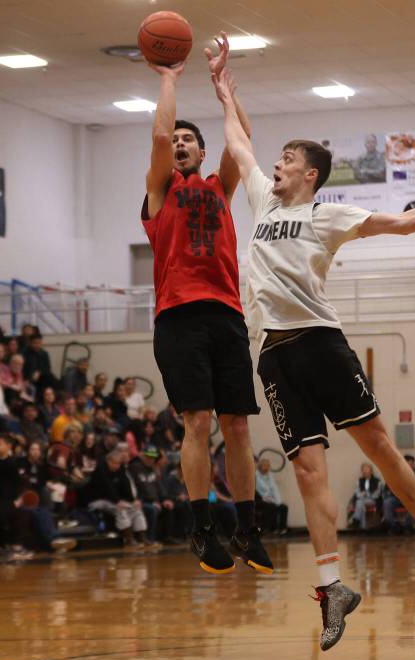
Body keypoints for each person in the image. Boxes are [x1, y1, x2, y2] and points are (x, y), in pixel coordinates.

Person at [212, 50, 415, 649]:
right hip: (273, 354)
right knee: (307, 469)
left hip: (322, 343)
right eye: (277, 158)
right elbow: (239, 140)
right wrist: (223, 92)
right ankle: (332, 589)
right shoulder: (260, 200)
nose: (276, 164)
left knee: (378, 449)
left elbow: (398, 227)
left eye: (288, 159)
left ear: (310, 174)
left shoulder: (328, 214)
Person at [141, 35, 271, 576]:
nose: (179, 144)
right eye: (176, 139)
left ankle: (247, 526)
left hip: (227, 314)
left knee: (237, 425)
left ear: (200, 150)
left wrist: (224, 92)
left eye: (188, 140)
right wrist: (169, 77)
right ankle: (200, 527)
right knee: (197, 421)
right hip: (178, 317)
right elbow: (157, 133)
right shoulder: (159, 192)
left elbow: (242, 137)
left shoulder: (219, 186)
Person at [86, 450, 147, 548]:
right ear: (108, 461)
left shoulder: (120, 469)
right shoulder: (100, 470)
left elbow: (126, 485)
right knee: (120, 509)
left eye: (118, 463)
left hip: (113, 500)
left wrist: (133, 500)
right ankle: (129, 539)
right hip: (97, 500)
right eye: (114, 463)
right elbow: (108, 487)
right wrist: (118, 501)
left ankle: (142, 538)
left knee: (136, 508)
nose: (116, 466)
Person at [0, 434, 34, 560]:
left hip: (10, 496)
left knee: (10, 517)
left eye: (0, 444)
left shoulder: (13, 463)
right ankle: (5, 548)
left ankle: (15, 547)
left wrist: (19, 499)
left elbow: (19, 482)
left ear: (8, 446)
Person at [382, 455, 415, 534]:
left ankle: (408, 526)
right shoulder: (394, 474)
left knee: (414, 505)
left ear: (413, 464)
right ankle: (393, 526)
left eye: (411, 463)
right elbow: (387, 488)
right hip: (397, 498)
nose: (409, 466)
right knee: (387, 502)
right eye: (407, 463)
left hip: (411, 499)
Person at [255, 457, 288, 535]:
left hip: (271, 499)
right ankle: (272, 528)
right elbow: (259, 489)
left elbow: (274, 489)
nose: (267, 468)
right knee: (272, 506)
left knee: (284, 507)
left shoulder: (270, 475)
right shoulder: (256, 475)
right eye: (265, 466)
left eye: (268, 466)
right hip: (260, 499)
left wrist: (278, 501)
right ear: (260, 467)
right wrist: (267, 498)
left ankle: (282, 528)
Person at [348, 463, 383, 531]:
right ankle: (363, 527)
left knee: (360, 502)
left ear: (371, 471)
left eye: (367, 469)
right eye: (363, 469)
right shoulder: (359, 481)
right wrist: (362, 495)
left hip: (373, 500)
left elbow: (377, 494)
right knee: (361, 504)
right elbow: (357, 493)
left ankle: (356, 520)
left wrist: (367, 494)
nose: (365, 471)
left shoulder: (377, 481)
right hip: (362, 499)